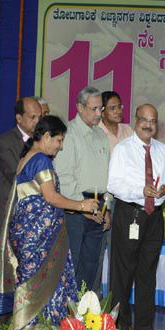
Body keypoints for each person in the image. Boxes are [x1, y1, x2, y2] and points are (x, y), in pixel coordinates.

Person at [0, 116, 99, 330]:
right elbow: (51, 198)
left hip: (29, 235)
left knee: (31, 288)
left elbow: (42, 200)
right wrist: (83, 205)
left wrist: (76, 209)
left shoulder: (27, 157)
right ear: (47, 136)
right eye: (59, 140)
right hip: (37, 238)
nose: (60, 146)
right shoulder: (40, 160)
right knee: (43, 288)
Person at [107, 104, 165, 330]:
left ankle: (144, 327)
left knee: (148, 271)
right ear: (135, 121)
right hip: (130, 214)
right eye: (144, 120)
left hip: (154, 217)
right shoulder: (122, 149)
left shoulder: (161, 150)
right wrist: (141, 190)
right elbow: (113, 185)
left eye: (153, 121)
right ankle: (120, 327)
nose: (149, 125)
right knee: (123, 273)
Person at [54, 86, 111, 294]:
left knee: (91, 267)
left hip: (99, 205)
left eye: (100, 109)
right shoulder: (69, 134)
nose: (98, 114)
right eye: (94, 109)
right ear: (79, 107)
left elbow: (107, 176)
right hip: (76, 209)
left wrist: (107, 209)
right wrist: (84, 207)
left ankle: (86, 318)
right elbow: (65, 178)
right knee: (72, 266)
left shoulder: (101, 135)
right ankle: (68, 319)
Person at [0, 97, 42, 233]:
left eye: (40, 117)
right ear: (19, 118)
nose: (38, 122)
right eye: (32, 117)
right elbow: (16, 176)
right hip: (14, 213)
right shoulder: (4, 142)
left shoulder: (45, 140)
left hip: (40, 215)